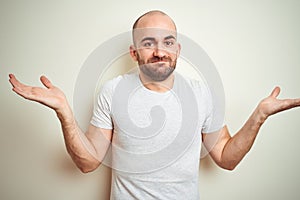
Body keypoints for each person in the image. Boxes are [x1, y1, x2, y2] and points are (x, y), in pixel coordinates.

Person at [8, 10, 300, 200]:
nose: (160, 52)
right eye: (149, 43)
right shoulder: (114, 90)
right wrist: (65, 113)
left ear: (178, 49)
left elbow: (226, 158)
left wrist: (259, 117)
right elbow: (88, 163)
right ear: (134, 53)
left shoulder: (201, 93)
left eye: (168, 42)